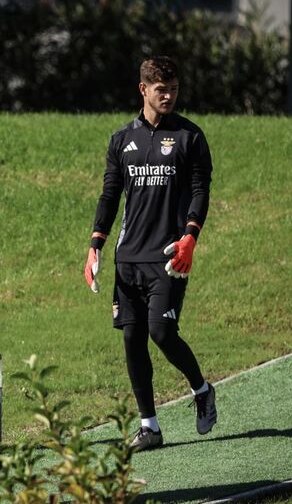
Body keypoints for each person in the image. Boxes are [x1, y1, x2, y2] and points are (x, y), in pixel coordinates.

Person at [84, 56, 217, 451]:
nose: (169, 96)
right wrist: (95, 245)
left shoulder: (190, 137)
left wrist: (191, 236)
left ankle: (202, 389)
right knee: (132, 338)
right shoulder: (121, 140)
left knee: (161, 331)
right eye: (161, 90)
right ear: (143, 89)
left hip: (169, 256)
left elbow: (200, 191)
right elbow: (110, 194)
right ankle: (150, 427)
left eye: (174, 89)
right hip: (128, 258)